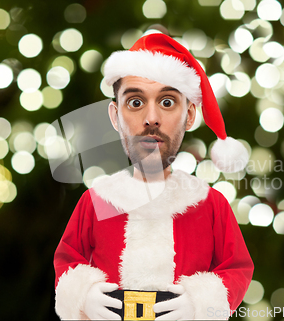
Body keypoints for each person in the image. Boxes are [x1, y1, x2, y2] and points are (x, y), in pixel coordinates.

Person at [53, 32, 254, 320]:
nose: (151, 118)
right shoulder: (96, 201)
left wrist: (202, 304)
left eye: (168, 102)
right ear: (114, 116)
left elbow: (237, 269)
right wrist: (82, 296)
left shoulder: (211, 204)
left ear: (190, 115)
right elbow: (68, 260)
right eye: (135, 102)